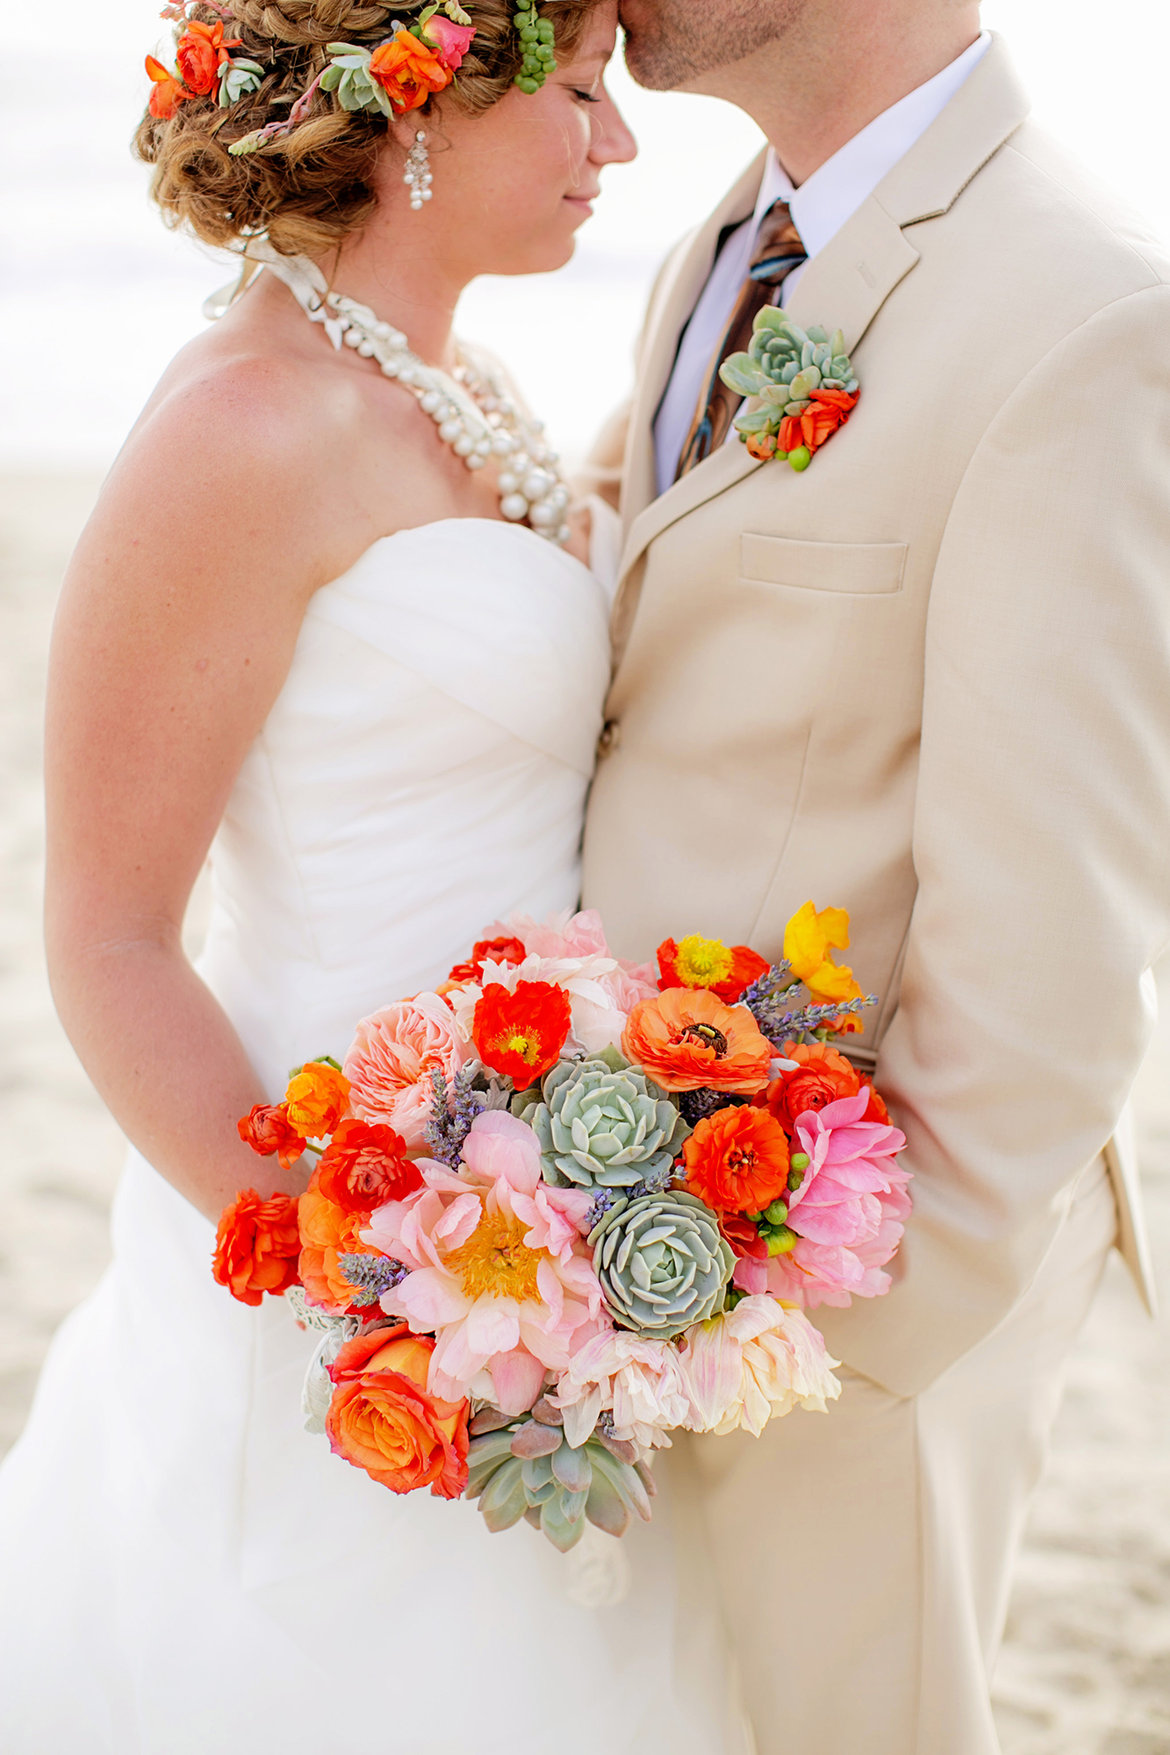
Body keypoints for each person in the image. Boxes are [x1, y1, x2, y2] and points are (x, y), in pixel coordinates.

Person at [0, 5, 751, 1751]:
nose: (615, 147)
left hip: (543, 1204)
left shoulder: (464, 386)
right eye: (574, 96)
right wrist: (366, 1281)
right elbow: (108, 938)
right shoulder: (242, 431)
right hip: (333, 1221)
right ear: (415, 113)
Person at [582, 2, 1170, 1751]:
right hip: (639, 1250)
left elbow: (1058, 940)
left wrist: (858, 1355)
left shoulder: (1084, 317)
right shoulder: (734, 241)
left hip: (840, 1315)